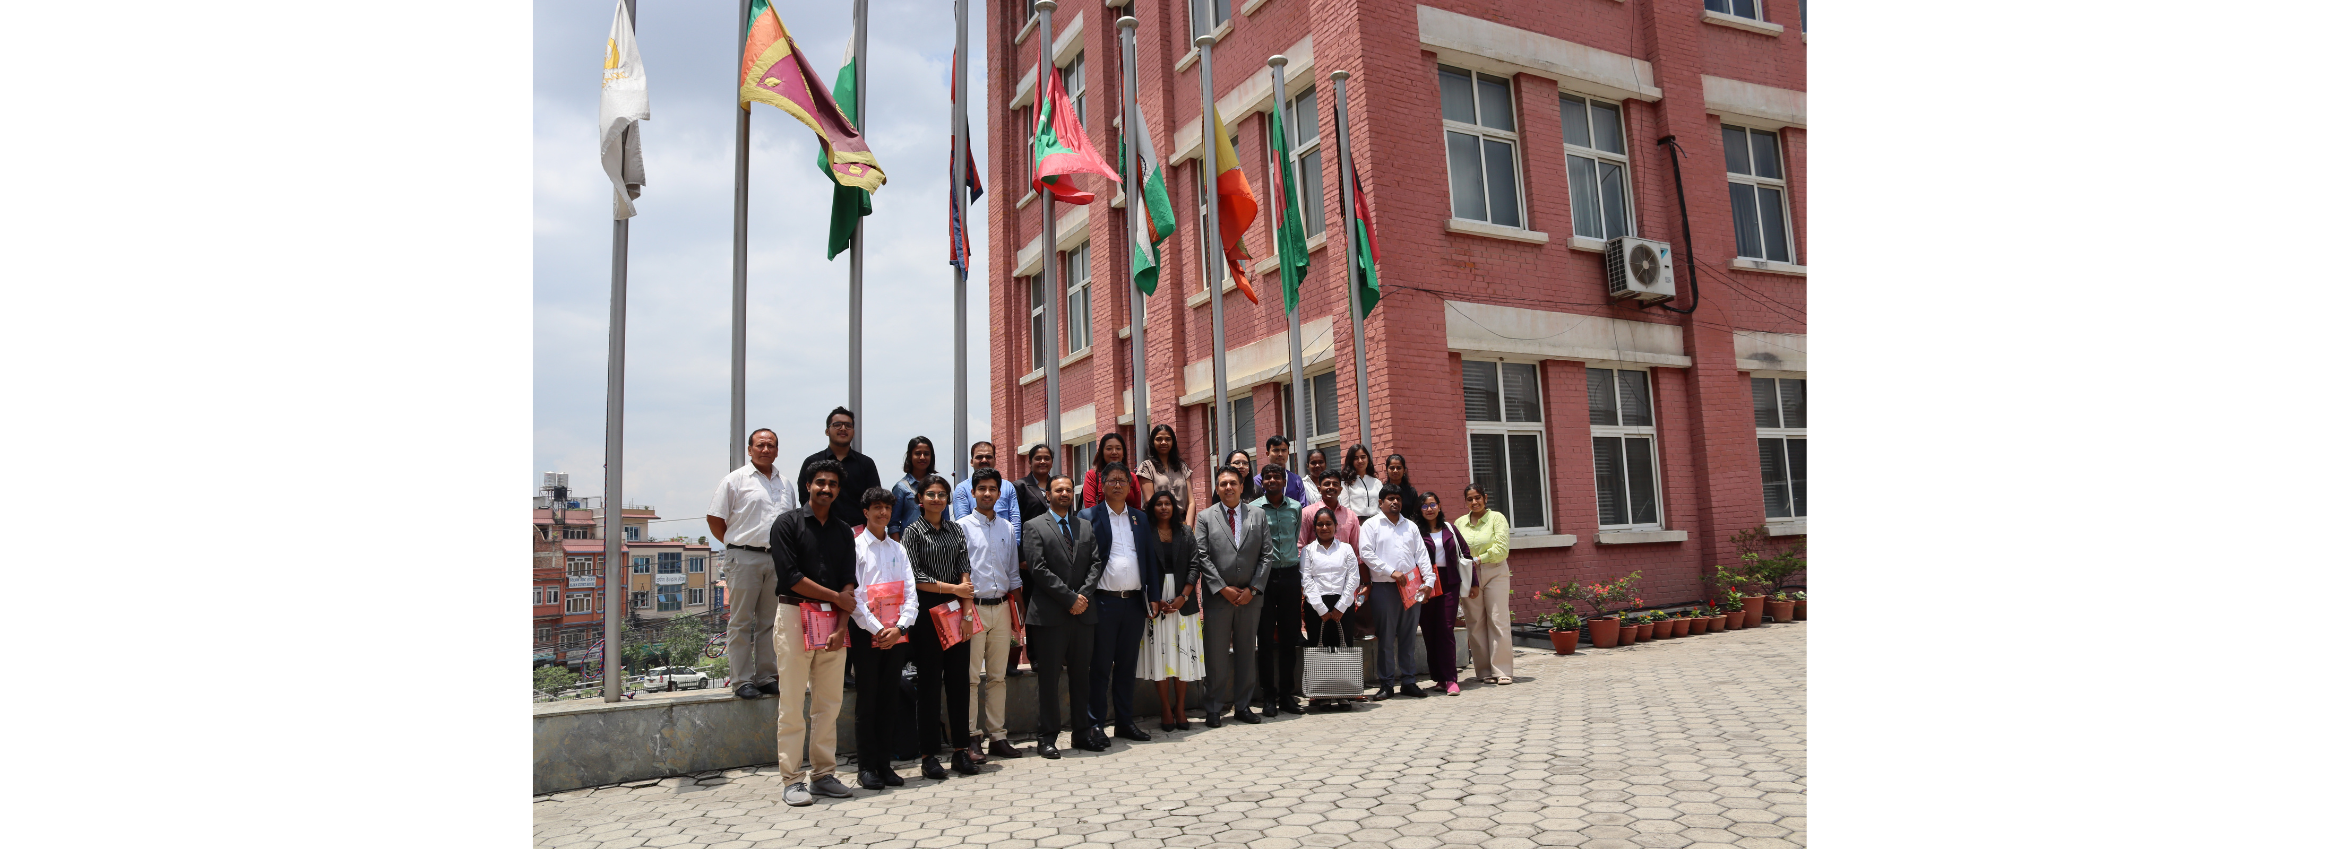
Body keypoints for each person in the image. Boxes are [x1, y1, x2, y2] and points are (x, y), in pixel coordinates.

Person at [768, 459, 865, 805]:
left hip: (832, 623)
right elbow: (791, 577)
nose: (826, 489)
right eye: (820, 482)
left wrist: (841, 625)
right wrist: (836, 598)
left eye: (833, 484)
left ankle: (823, 775)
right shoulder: (786, 524)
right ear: (808, 485)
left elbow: (849, 583)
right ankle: (792, 780)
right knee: (793, 702)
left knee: (828, 704)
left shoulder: (843, 531)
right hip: (795, 615)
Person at [705, 427, 799, 701]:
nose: (766, 449)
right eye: (760, 445)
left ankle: (767, 676)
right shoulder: (735, 480)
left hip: (777, 558)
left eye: (771, 445)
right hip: (744, 557)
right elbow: (715, 518)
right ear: (750, 449)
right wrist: (736, 544)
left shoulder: (786, 484)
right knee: (741, 621)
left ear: (777, 450)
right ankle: (742, 680)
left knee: (771, 622)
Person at [902, 474, 982, 779]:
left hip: (956, 612)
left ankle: (961, 751)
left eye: (942, 494)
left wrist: (967, 613)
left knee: (959, 683)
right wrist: (954, 590)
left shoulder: (955, 530)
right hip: (926, 612)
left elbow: (965, 570)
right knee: (930, 685)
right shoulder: (912, 532)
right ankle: (929, 756)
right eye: (931, 494)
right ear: (920, 499)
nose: (937, 499)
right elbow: (916, 577)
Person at [1079, 462, 1161, 743]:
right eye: (1112, 480)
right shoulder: (1089, 516)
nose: (1117, 485)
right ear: (1102, 485)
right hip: (1104, 603)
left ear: (1129, 486)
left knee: (1127, 667)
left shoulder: (1140, 518)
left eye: (1122, 480)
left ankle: (1125, 723)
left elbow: (1149, 558)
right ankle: (1095, 724)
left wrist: (1153, 596)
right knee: (1101, 667)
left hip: (1134, 604)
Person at [1018, 473, 1097, 757]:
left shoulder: (1084, 526)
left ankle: (1082, 733)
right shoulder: (1034, 526)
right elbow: (1037, 568)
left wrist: (1082, 597)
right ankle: (1047, 737)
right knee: (1049, 679)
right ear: (1048, 495)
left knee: (1081, 677)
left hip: (1083, 614)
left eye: (1068, 489)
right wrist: (1069, 598)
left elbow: (1096, 564)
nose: (1064, 493)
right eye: (1058, 490)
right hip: (1050, 615)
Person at [847, 487, 917, 790]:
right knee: (867, 701)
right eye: (877, 507)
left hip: (896, 635)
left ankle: (885, 765)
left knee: (889, 699)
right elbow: (855, 596)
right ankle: (866, 767)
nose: (883, 513)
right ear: (866, 512)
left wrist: (900, 627)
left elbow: (910, 593)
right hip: (866, 634)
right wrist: (877, 629)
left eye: (887, 508)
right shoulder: (855, 548)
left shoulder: (898, 549)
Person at [955, 468, 1024, 761]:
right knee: (971, 678)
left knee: (997, 676)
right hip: (973, 610)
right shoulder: (960, 527)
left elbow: (1013, 574)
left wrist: (1019, 613)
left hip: (1002, 608)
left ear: (999, 493)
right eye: (981, 488)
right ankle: (971, 737)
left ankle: (998, 736)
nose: (987, 493)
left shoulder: (1007, 528)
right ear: (972, 493)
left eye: (992, 488)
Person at [1194, 465, 1269, 726]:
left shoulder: (1258, 515)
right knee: (1215, 655)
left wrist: (1253, 589)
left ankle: (1243, 706)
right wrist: (1222, 588)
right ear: (1217, 488)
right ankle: (1213, 707)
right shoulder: (1205, 517)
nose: (1228, 487)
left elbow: (1267, 555)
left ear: (1241, 486)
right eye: (1223, 484)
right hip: (1218, 598)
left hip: (1250, 598)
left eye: (1233, 483)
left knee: (1246, 652)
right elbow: (1202, 555)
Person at [1138, 489, 1204, 733]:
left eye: (1168, 503)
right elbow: (1141, 566)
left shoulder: (1186, 532)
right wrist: (1154, 598)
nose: (1164, 507)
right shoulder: (1145, 533)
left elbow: (1195, 565)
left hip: (1183, 601)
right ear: (1152, 508)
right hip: (1155, 600)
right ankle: (1166, 708)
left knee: (1182, 654)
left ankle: (1181, 708)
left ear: (1174, 508)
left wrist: (1183, 596)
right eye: (1159, 504)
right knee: (1161, 656)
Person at [1358, 488, 1433, 701]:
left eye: (1398, 499)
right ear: (1380, 502)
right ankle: (1387, 684)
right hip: (1384, 587)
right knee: (1386, 637)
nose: (1395, 502)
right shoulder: (1371, 525)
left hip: (1411, 588)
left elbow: (1422, 555)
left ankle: (1409, 681)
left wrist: (1429, 581)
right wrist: (1391, 571)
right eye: (1390, 499)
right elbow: (1366, 553)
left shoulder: (1410, 526)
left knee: (1409, 636)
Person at [1248, 463, 1307, 718]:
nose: (1272, 480)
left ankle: (1286, 694)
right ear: (1262, 482)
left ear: (1284, 481)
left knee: (1289, 636)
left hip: (1290, 575)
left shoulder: (1295, 507)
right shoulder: (1253, 509)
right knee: (1264, 637)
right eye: (1268, 477)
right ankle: (1268, 695)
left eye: (1277, 477)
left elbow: (1295, 536)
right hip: (1265, 577)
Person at [1298, 509, 1361, 713]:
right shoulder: (1308, 551)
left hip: (1343, 604)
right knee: (1320, 647)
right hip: (1317, 606)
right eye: (1320, 524)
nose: (1324, 528)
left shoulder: (1346, 549)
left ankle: (1343, 693)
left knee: (1343, 646)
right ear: (1314, 527)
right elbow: (1306, 579)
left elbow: (1353, 578)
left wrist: (1341, 607)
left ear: (1336, 526)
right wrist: (1321, 609)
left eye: (1328, 524)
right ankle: (1322, 694)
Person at [1415, 492, 1474, 697]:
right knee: (1429, 630)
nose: (1429, 509)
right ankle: (1439, 678)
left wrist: (1473, 582)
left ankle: (1451, 679)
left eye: (1432, 504)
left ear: (1439, 506)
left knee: (1446, 629)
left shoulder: (1450, 528)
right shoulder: (1416, 531)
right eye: (1424, 506)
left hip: (1449, 582)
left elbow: (1466, 554)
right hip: (1426, 583)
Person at [1299, 469, 1369, 640]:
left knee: (1343, 644)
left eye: (1335, 484)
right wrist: (1316, 603)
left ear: (1341, 488)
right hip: (1315, 593)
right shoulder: (1307, 513)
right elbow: (1300, 547)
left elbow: (1357, 555)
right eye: (1326, 484)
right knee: (1318, 644)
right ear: (1319, 487)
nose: (1331, 487)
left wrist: (1362, 585)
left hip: (1344, 593)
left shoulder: (1350, 516)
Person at [1456, 483, 1515, 685]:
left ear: (1485, 498)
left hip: (1494, 571)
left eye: (1477, 498)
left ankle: (1502, 670)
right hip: (1469, 575)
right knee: (1475, 622)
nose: (1474, 502)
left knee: (1498, 619)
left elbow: (1502, 549)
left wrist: (1479, 559)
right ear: (1465, 502)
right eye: (1470, 499)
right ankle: (1484, 671)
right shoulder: (1460, 523)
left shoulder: (1497, 518)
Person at [798, 407, 884, 531]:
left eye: (848, 426)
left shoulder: (866, 463)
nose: (843, 428)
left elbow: (875, 499)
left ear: (853, 432)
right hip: (821, 529)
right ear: (827, 431)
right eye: (837, 425)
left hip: (860, 532)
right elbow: (805, 498)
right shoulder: (812, 462)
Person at [949, 441, 1022, 545]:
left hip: (1004, 545)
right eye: (979, 457)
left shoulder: (1008, 487)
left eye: (988, 457)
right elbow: (962, 524)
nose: (984, 460)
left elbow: (1015, 519)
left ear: (995, 460)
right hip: (975, 546)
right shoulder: (962, 489)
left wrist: (1015, 545)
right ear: (971, 462)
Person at [1133, 424, 1194, 525]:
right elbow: (1150, 501)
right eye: (1159, 439)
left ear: (1173, 442)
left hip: (1182, 523)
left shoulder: (1182, 466)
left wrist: (1189, 528)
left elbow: (1191, 502)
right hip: (1158, 524)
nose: (1164, 442)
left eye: (1168, 439)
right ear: (1152, 442)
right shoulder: (1147, 467)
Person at [1081, 432, 1144, 512]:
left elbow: (1137, 509)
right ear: (1102, 452)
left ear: (1123, 453)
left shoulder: (1132, 477)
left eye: (1118, 448)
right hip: (1100, 519)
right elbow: (1090, 508)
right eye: (1109, 449)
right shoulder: (1092, 475)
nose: (1114, 452)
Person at [889, 436, 938, 537]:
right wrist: (899, 546)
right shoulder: (901, 487)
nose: (922, 457)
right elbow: (893, 524)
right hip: (909, 544)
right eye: (918, 453)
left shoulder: (938, 486)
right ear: (910, 456)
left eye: (926, 454)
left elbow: (945, 520)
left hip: (936, 544)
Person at [1012, 444, 1054, 547]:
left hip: (1056, 544)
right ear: (1030, 462)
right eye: (1038, 458)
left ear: (1052, 462)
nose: (1043, 462)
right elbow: (1016, 521)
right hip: (1031, 545)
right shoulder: (1020, 486)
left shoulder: (1058, 485)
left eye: (1047, 458)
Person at [1253, 436, 1309, 503]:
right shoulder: (1258, 481)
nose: (1280, 454)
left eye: (1284, 450)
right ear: (1268, 454)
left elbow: (1303, 506)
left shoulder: (1296, 480)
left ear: (1288, 453)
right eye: (1276, 450)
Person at [1383, 453, 1426, 533]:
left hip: (1407, 531)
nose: (1395, 471)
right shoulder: (1382, 491)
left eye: (1399, 468)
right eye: (1392, 468)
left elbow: (1416, 514)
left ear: (1404, 470)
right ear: (1387, 470)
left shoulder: (1411, 492)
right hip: (1385, 530)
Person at [1338, 444, 1383, 516]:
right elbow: (1345, 508)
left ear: (1368, 459)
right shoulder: (1346, 483)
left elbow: (1383, 506)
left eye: (1363, 457)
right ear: (1351, 461)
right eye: (1356, 458)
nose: (1360, 461)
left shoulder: (1377, 482)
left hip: (1377, 521)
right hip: (1356, 521)